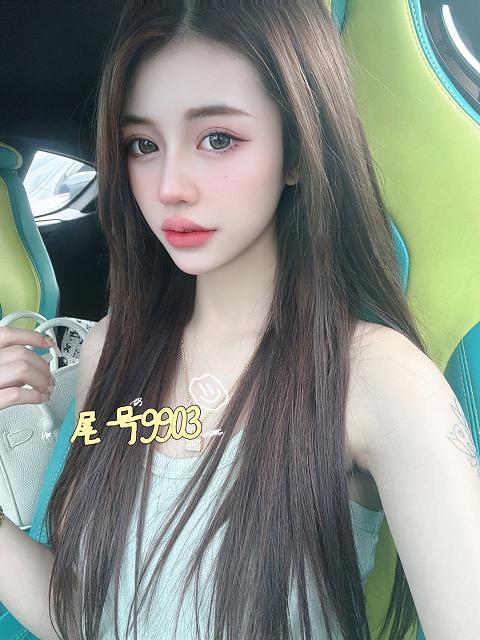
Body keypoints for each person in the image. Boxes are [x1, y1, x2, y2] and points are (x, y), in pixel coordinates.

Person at [1, 1, 479, 639]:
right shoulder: (108, 349)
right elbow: (87, 617)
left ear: (298, 150)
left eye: (218, 139)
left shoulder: (373, 376)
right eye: (143, 145)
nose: (170, 185)